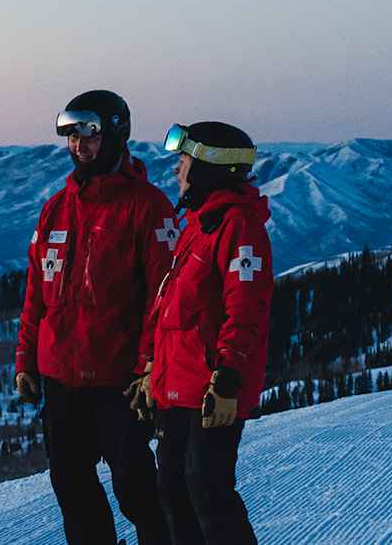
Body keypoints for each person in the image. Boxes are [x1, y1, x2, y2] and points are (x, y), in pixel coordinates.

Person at [14, 90, 180, 545]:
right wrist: (26, 358)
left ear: (115, 134)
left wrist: (148, 365)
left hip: (118, 378)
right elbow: (36, 294)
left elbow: (163, 299)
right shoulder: (56, 208)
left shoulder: (147, 206)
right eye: (70, 134)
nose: (77, 145)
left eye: (88, 133)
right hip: (61, 376)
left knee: (137, 490)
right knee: (71, 487)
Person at [142, 121, 271, 545]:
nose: (176, 171)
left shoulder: (239, 225)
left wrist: (228, 379)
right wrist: (152, 373)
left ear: (209, 167)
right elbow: (172, 309)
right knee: (173, 493)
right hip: (177, 386)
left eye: (183, 162)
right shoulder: (198, 223)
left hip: (211, 390)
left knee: (208, 494)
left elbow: (246, 306)